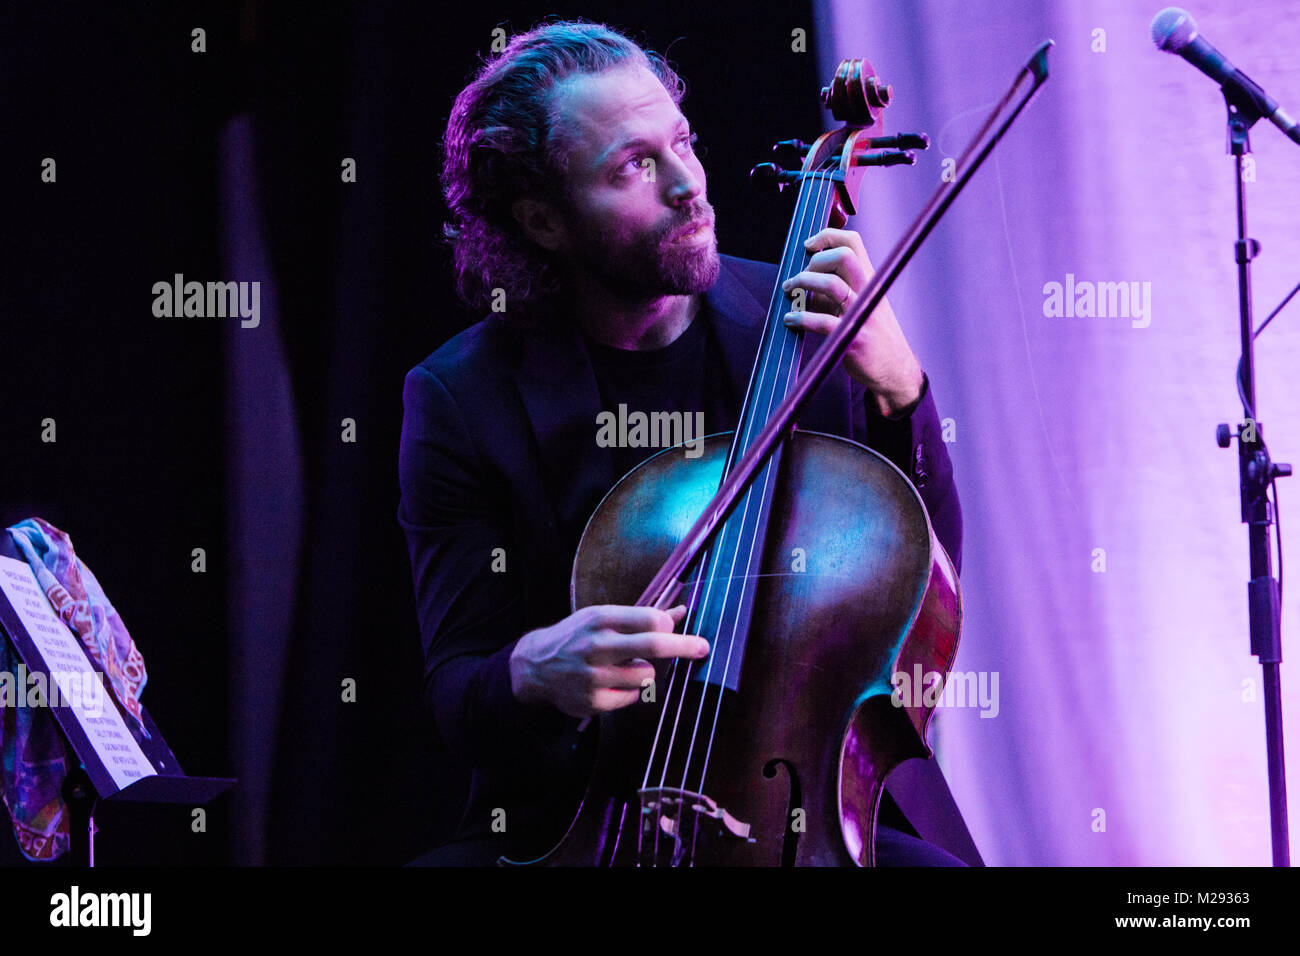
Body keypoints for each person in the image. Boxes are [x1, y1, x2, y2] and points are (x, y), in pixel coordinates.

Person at [399, 19, 977, 866]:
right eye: (633, 164)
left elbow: (923, 588)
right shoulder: (462, 398)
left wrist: (901, 390)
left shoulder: (809, 325)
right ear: (544, 220)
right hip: (586, 815)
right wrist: (534, 670)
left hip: (795, 812)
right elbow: (458, 692)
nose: (688, 185)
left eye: (682, 143)